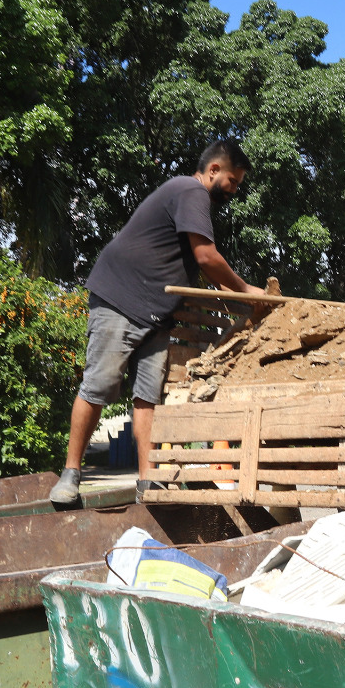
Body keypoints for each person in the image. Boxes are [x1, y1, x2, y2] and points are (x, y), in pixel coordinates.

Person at [50, 140, 264, 505]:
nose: (234, 189)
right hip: (121, 299)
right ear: (213, 170)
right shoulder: (190, 191)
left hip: (157, 314)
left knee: (148, 398)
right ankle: (71, 473)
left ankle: (149, 481)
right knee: (99, 385)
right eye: (233, 180)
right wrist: (247, 291)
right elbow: (207, 258)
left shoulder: (193, 202)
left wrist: (239, 305)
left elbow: (203, 270)